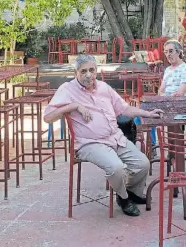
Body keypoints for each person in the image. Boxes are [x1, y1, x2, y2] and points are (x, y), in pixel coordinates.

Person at [43, 54, 164, 217]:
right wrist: (73, 105)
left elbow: (124, 109)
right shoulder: (67, 89)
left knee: (143, 163)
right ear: (76, 73)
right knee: (116, 168)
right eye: (83, 71)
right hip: (90, 143)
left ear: (96, 71)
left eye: (91, 70)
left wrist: (148, 113)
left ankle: (130, 192)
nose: (88, 75)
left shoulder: (104, 88)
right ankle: (124, 198)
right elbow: (48, 117)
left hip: (115, 138)